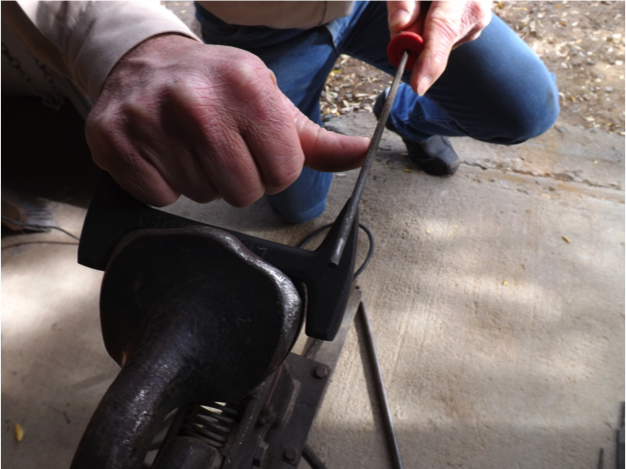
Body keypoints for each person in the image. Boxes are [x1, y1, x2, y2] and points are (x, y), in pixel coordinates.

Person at [2, 0, 559, 223]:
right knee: (293, 201)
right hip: (257, 27)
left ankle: (407, 115)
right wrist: (132, 46)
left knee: (523, 109)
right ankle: (299, 105)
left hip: (387, 5)